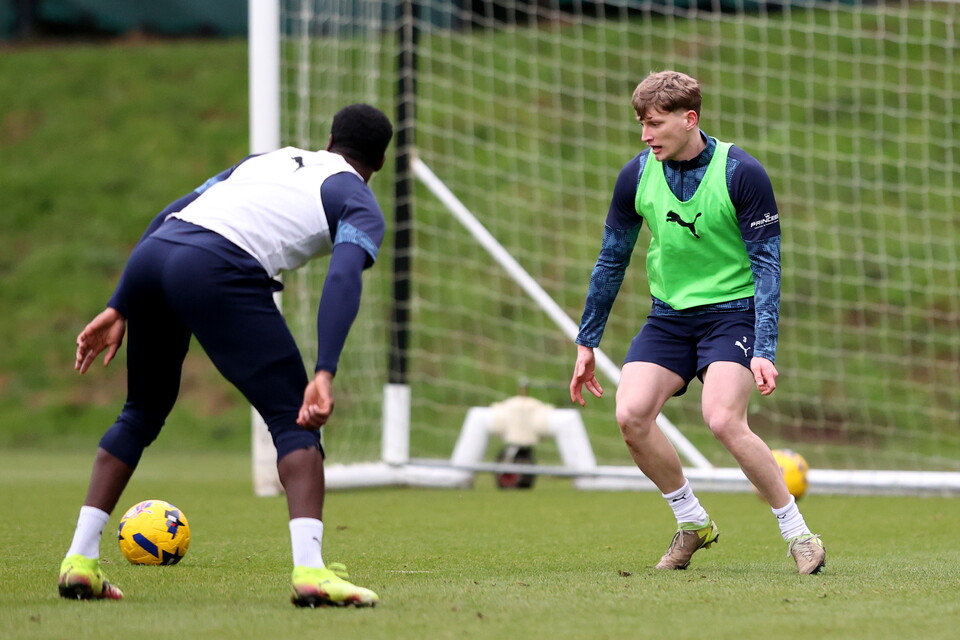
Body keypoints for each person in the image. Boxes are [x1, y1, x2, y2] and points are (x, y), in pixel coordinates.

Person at [58, 103, 393, 606]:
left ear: (328, 138)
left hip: (155, 254)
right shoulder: (359, 200)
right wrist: (324, 371)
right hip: (216, 267)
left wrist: (120, 302)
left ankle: (79, 561)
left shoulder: (266, 159)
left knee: (141, 411)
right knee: (292, 420)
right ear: (380, 162)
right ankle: (310, 572)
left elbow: (170, 211)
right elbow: (342, 277)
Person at [569, 71, 825, 575]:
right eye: (641, 124)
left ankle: (799, 534)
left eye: (656, 124)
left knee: (723, 419)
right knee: (631, 414)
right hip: (669, 317)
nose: (646, 135)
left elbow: (767, 265)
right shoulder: (635, 175)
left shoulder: (741, 172)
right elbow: (610, 260)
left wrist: (765, 347)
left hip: (733, 313)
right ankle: (692, 523)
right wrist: (587, 342)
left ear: (690, 119)